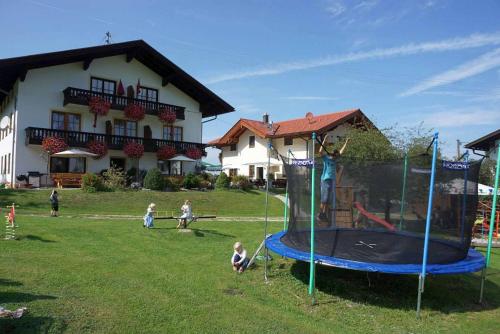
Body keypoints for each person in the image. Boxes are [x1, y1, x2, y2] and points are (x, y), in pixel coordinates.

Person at [318, 134, 349, 222]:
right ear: (332, 155)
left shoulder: (335, 160)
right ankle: (320, 213)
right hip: (325, 180)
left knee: (328, 199)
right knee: (324, 198)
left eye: (336, 157)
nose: (336, 158)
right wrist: (324, 141)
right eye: (335, 156)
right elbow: (320, 151)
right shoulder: (326, 158)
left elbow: (341, 152)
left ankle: (324, 214)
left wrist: (346, 143)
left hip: (331, 180)